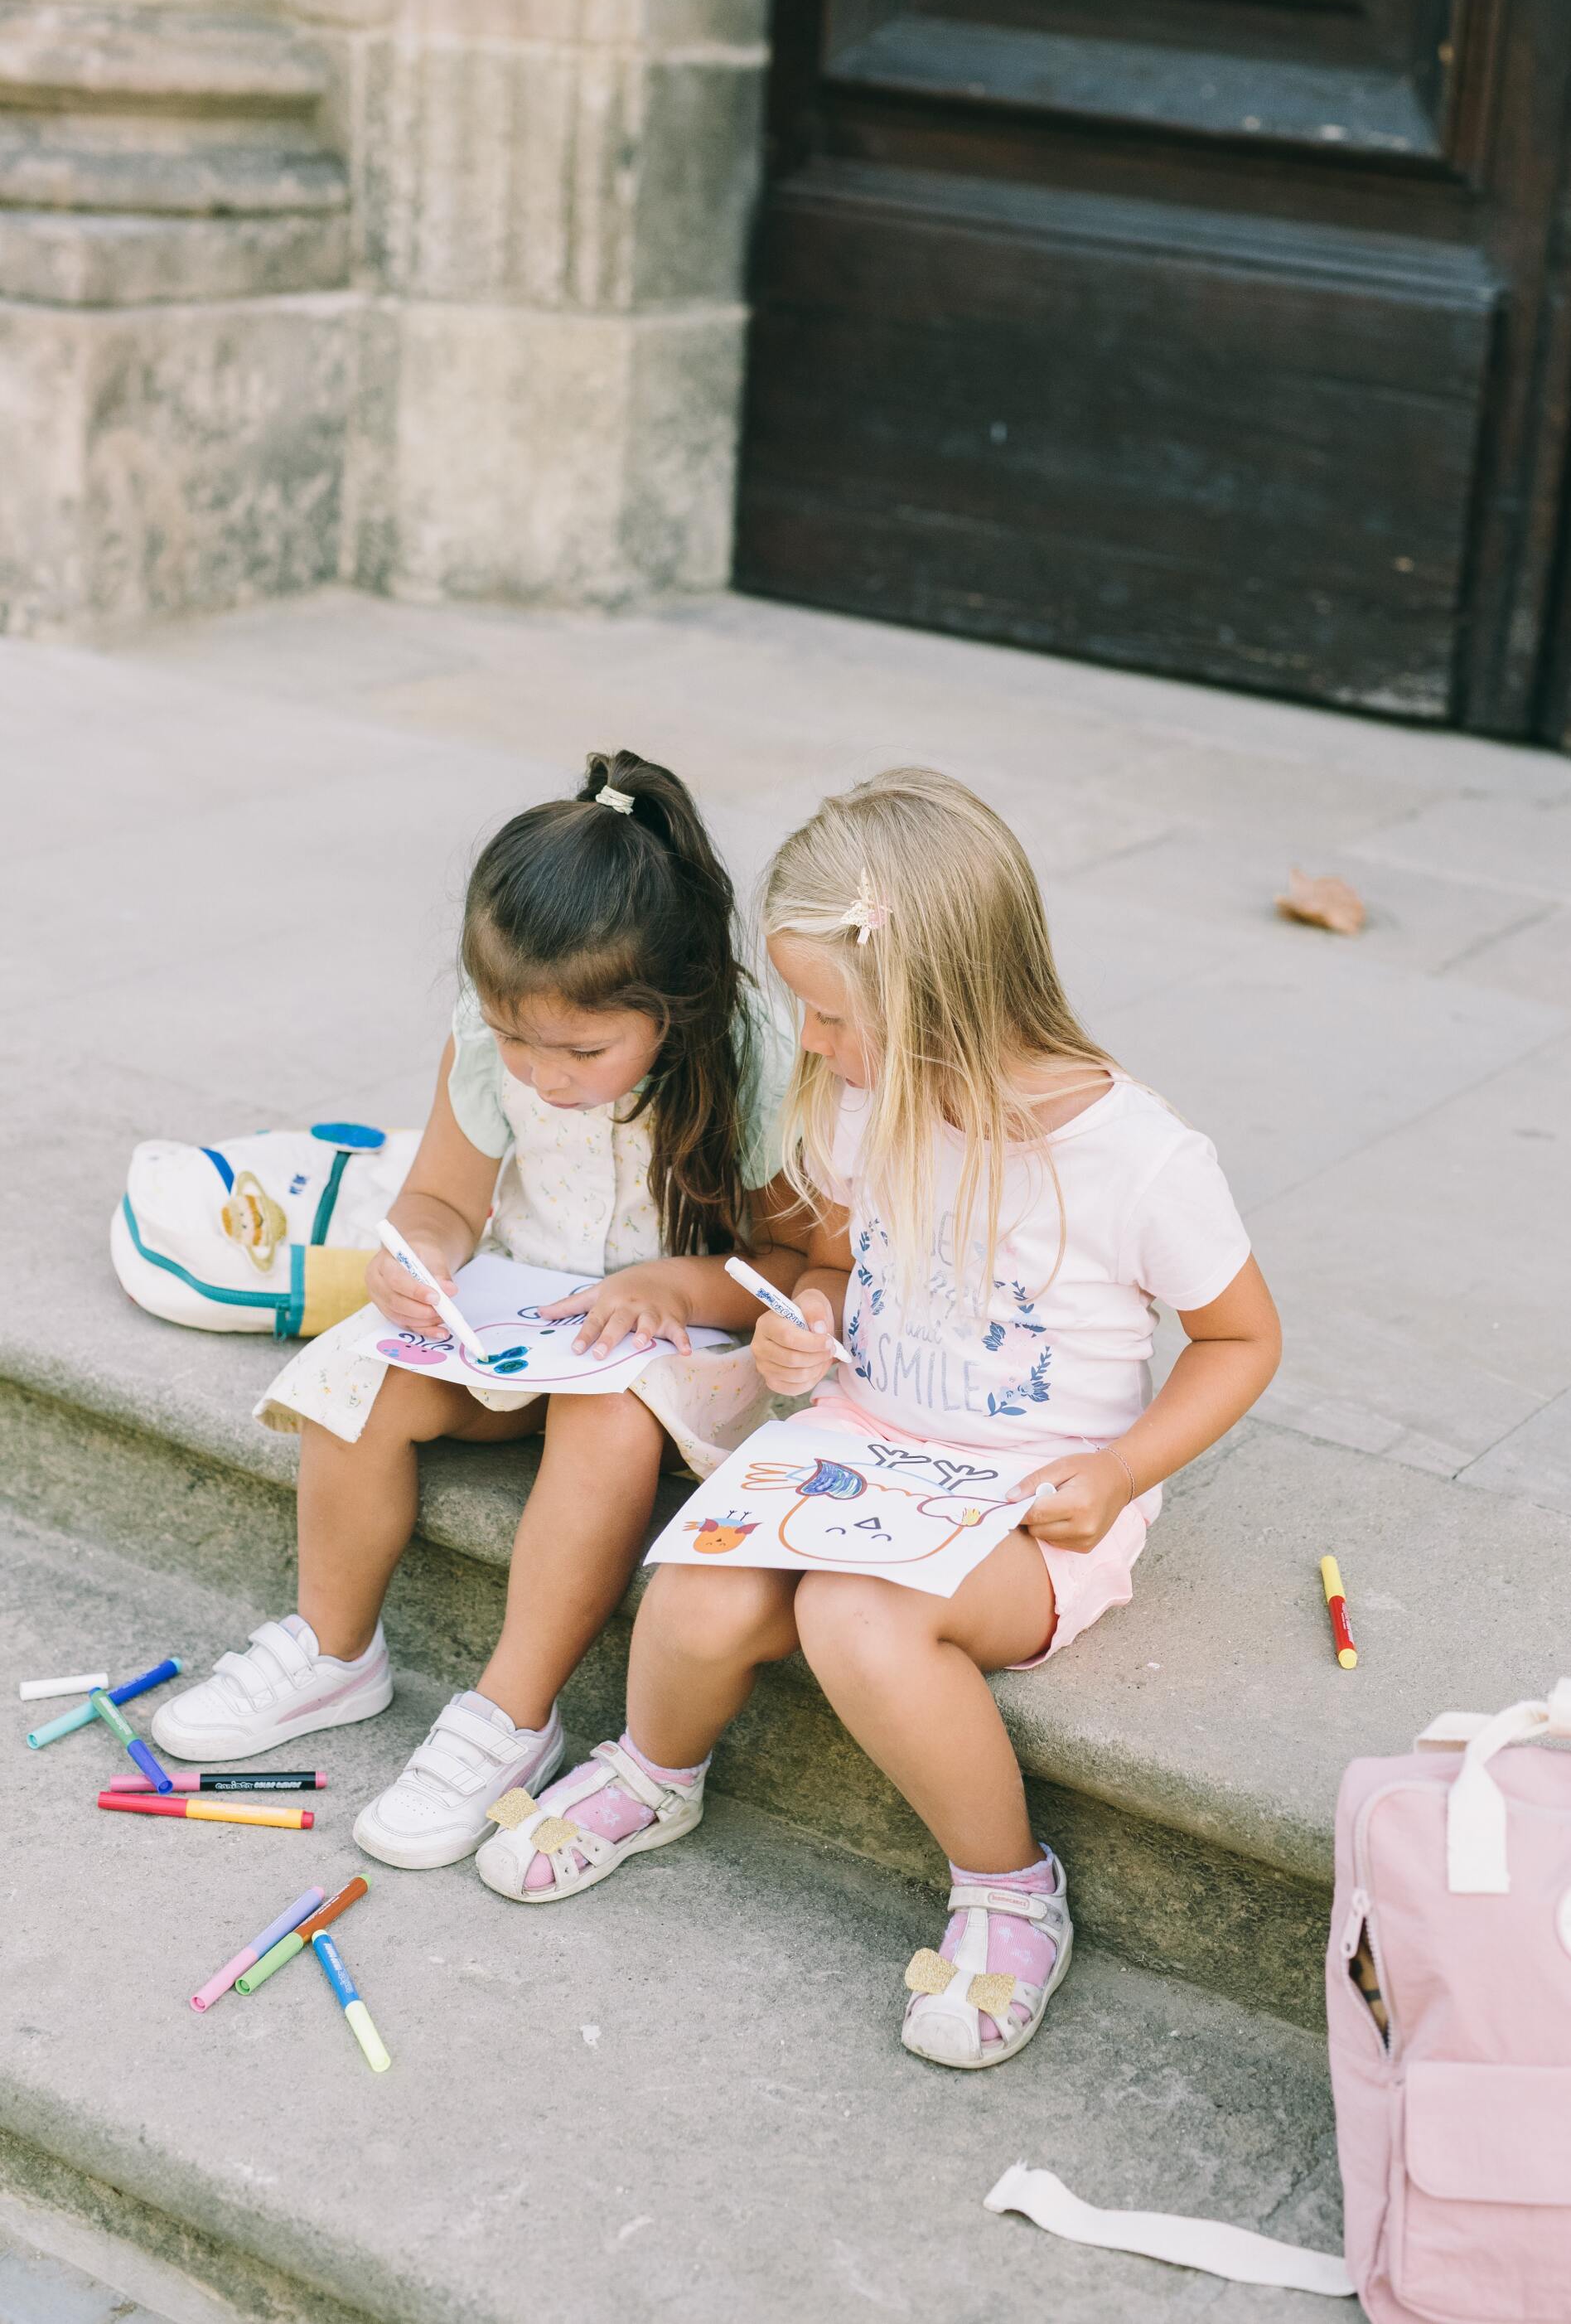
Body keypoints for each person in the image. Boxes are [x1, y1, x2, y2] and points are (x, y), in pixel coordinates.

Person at [473, 768, 1279, 2072]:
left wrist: (1124, 1469)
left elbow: (1244, 1340)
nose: (812, 1042)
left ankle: (1011, 1887)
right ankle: (651, 1770)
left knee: (854, 1615)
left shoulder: (1141, 1162)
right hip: (865, 1440)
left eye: (831, 1014)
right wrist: (808, 1316)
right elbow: (837, 1261)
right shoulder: (862, 1102)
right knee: (700, 1581)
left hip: (1031, 1503)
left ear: (944, 999)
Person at [153, 753, 800, 1873]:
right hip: (528, 1318)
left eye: (582, 1052)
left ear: (673, 1003)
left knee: (604, 1420)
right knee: (363, 1369)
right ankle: (333, 1646)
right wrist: (418, 1261)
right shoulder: (492, 1032)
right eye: (517, 1042)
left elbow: (790, 1259)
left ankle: (509, 1715)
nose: (542, 1076)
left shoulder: (745, 1058)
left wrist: (669, 1287)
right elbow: (445, 1199)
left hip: (681, 1348)